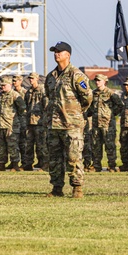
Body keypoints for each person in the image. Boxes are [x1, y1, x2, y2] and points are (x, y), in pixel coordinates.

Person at [44, 41, 93, 197]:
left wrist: (76, 112)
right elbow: (49, 96)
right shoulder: (51, 76)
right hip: (54, 124)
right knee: (55, 159)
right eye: (55, 51)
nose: (56, 54)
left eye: (59, 51)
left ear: (68, 55)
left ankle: (77, 188)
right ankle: (56, 188)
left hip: (72, 124)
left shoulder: (76, 75)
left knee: (73, 157)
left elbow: (87, 97)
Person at [90, 74, 123, 171]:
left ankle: (112, 165)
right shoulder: (93, 93)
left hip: (107, 124)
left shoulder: (110, 93)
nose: (97, 82)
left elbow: (120, 105)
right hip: (96, 124)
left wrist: (112, 114)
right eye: (96, 80)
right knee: (96, 145)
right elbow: (91, 107)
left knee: (110, 146)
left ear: (105, 81)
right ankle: (96, 165)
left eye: (99, 80)